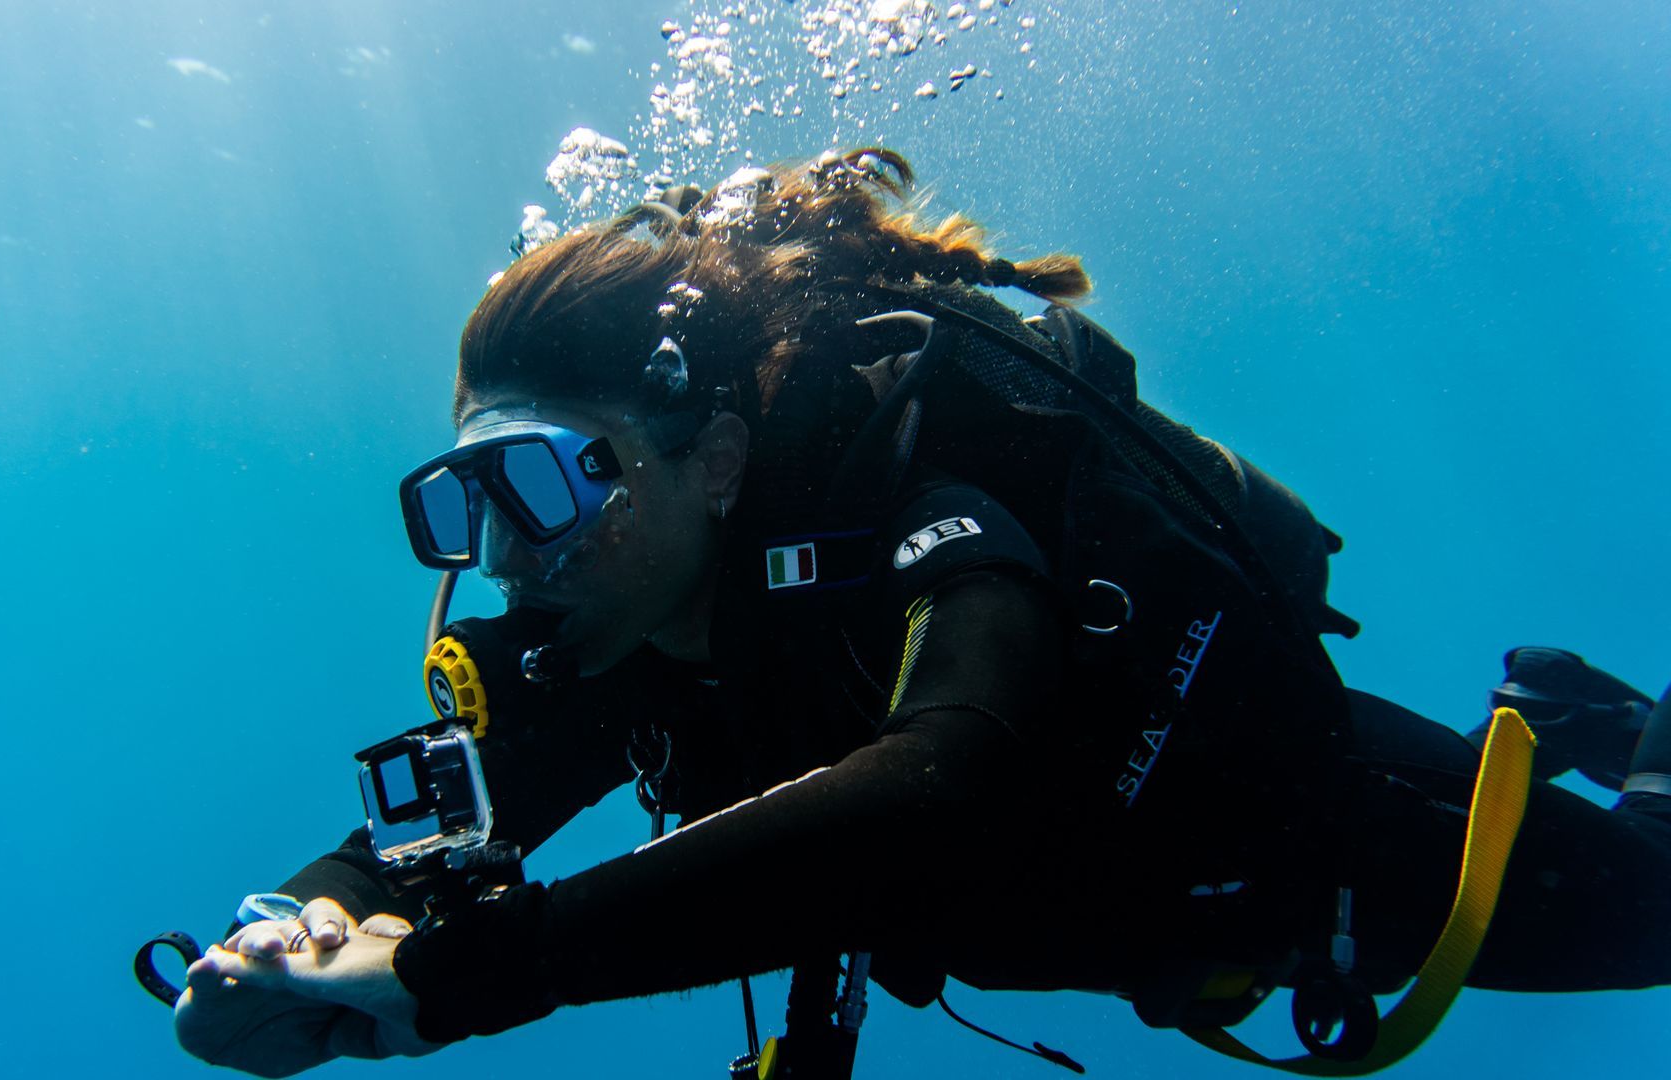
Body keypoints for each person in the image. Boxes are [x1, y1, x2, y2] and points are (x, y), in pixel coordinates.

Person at [170, 148, 1671, 1077]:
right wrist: (297, 925)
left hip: (1311, 845)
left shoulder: (916, 516)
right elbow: (431, 835)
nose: (506, 553)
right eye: (463, 501)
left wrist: (462, 977)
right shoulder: (621, 644)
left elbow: (947, 780)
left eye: (546, 482)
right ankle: (1558, 714)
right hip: (1146, 927)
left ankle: (1616, 732)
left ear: (716, 461)